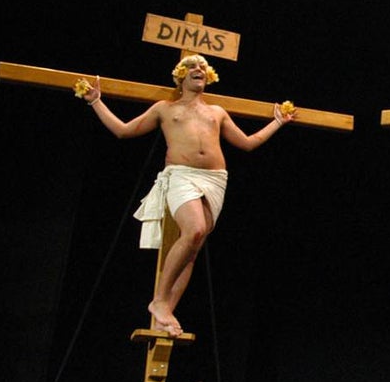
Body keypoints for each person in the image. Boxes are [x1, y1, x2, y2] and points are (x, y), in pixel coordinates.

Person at [78, 54, 296, 336]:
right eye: (193, 67)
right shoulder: (165, 108)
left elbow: (247, 143)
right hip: (181, 175)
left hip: (215, 179)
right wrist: (96, 101)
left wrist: (277, 122)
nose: (199, 70)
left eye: (203, 68)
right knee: (194, 230)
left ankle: (166, 311)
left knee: (194, 246)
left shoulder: (216, 111)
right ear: (180, 75)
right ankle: (158, 301)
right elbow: (123, 131)